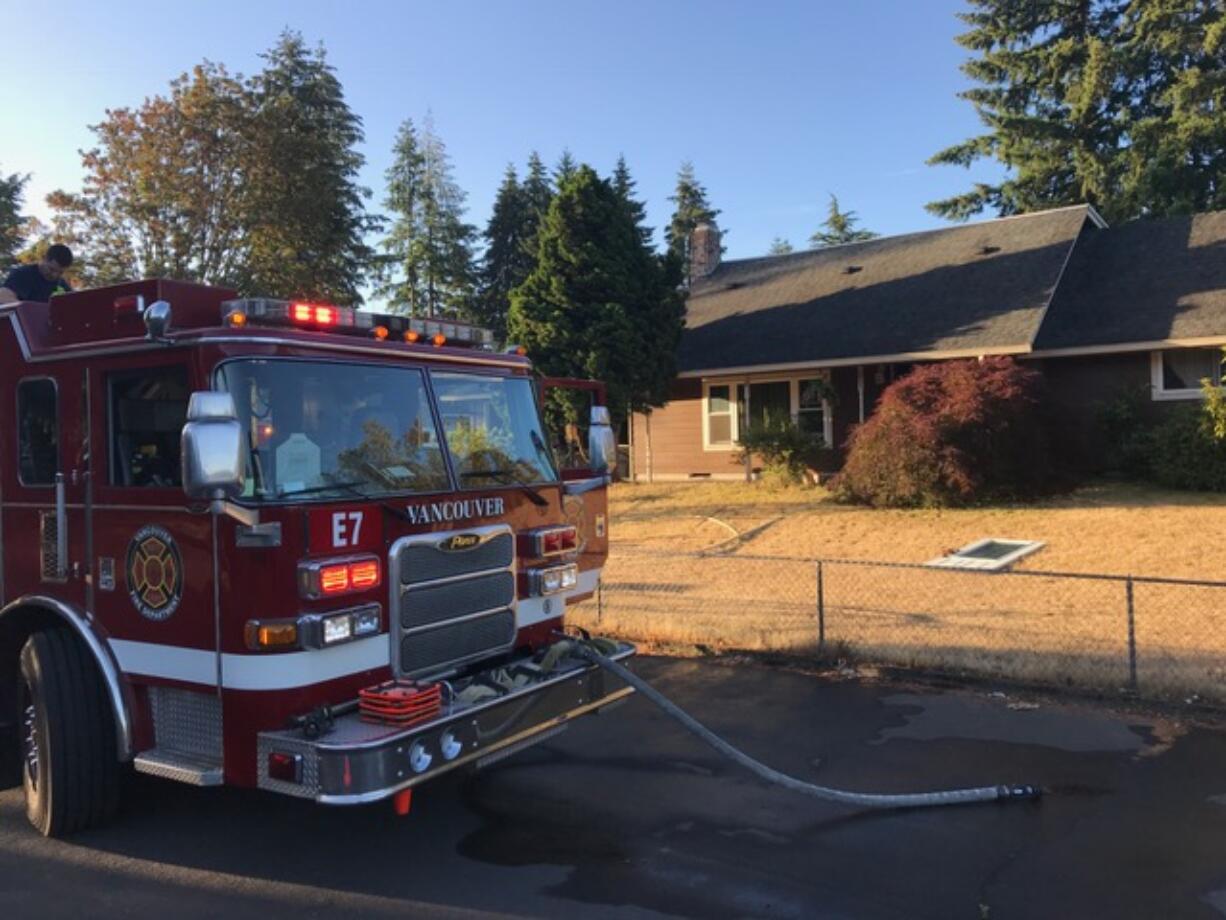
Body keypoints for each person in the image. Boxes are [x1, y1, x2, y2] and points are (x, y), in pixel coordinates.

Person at [0, 245, 74, 304]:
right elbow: (3, 295)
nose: (54, 275)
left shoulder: (61, 284)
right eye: (51, 269)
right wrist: (29, 311)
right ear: (44, 259)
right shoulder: (23, 274)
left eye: (60, 273)